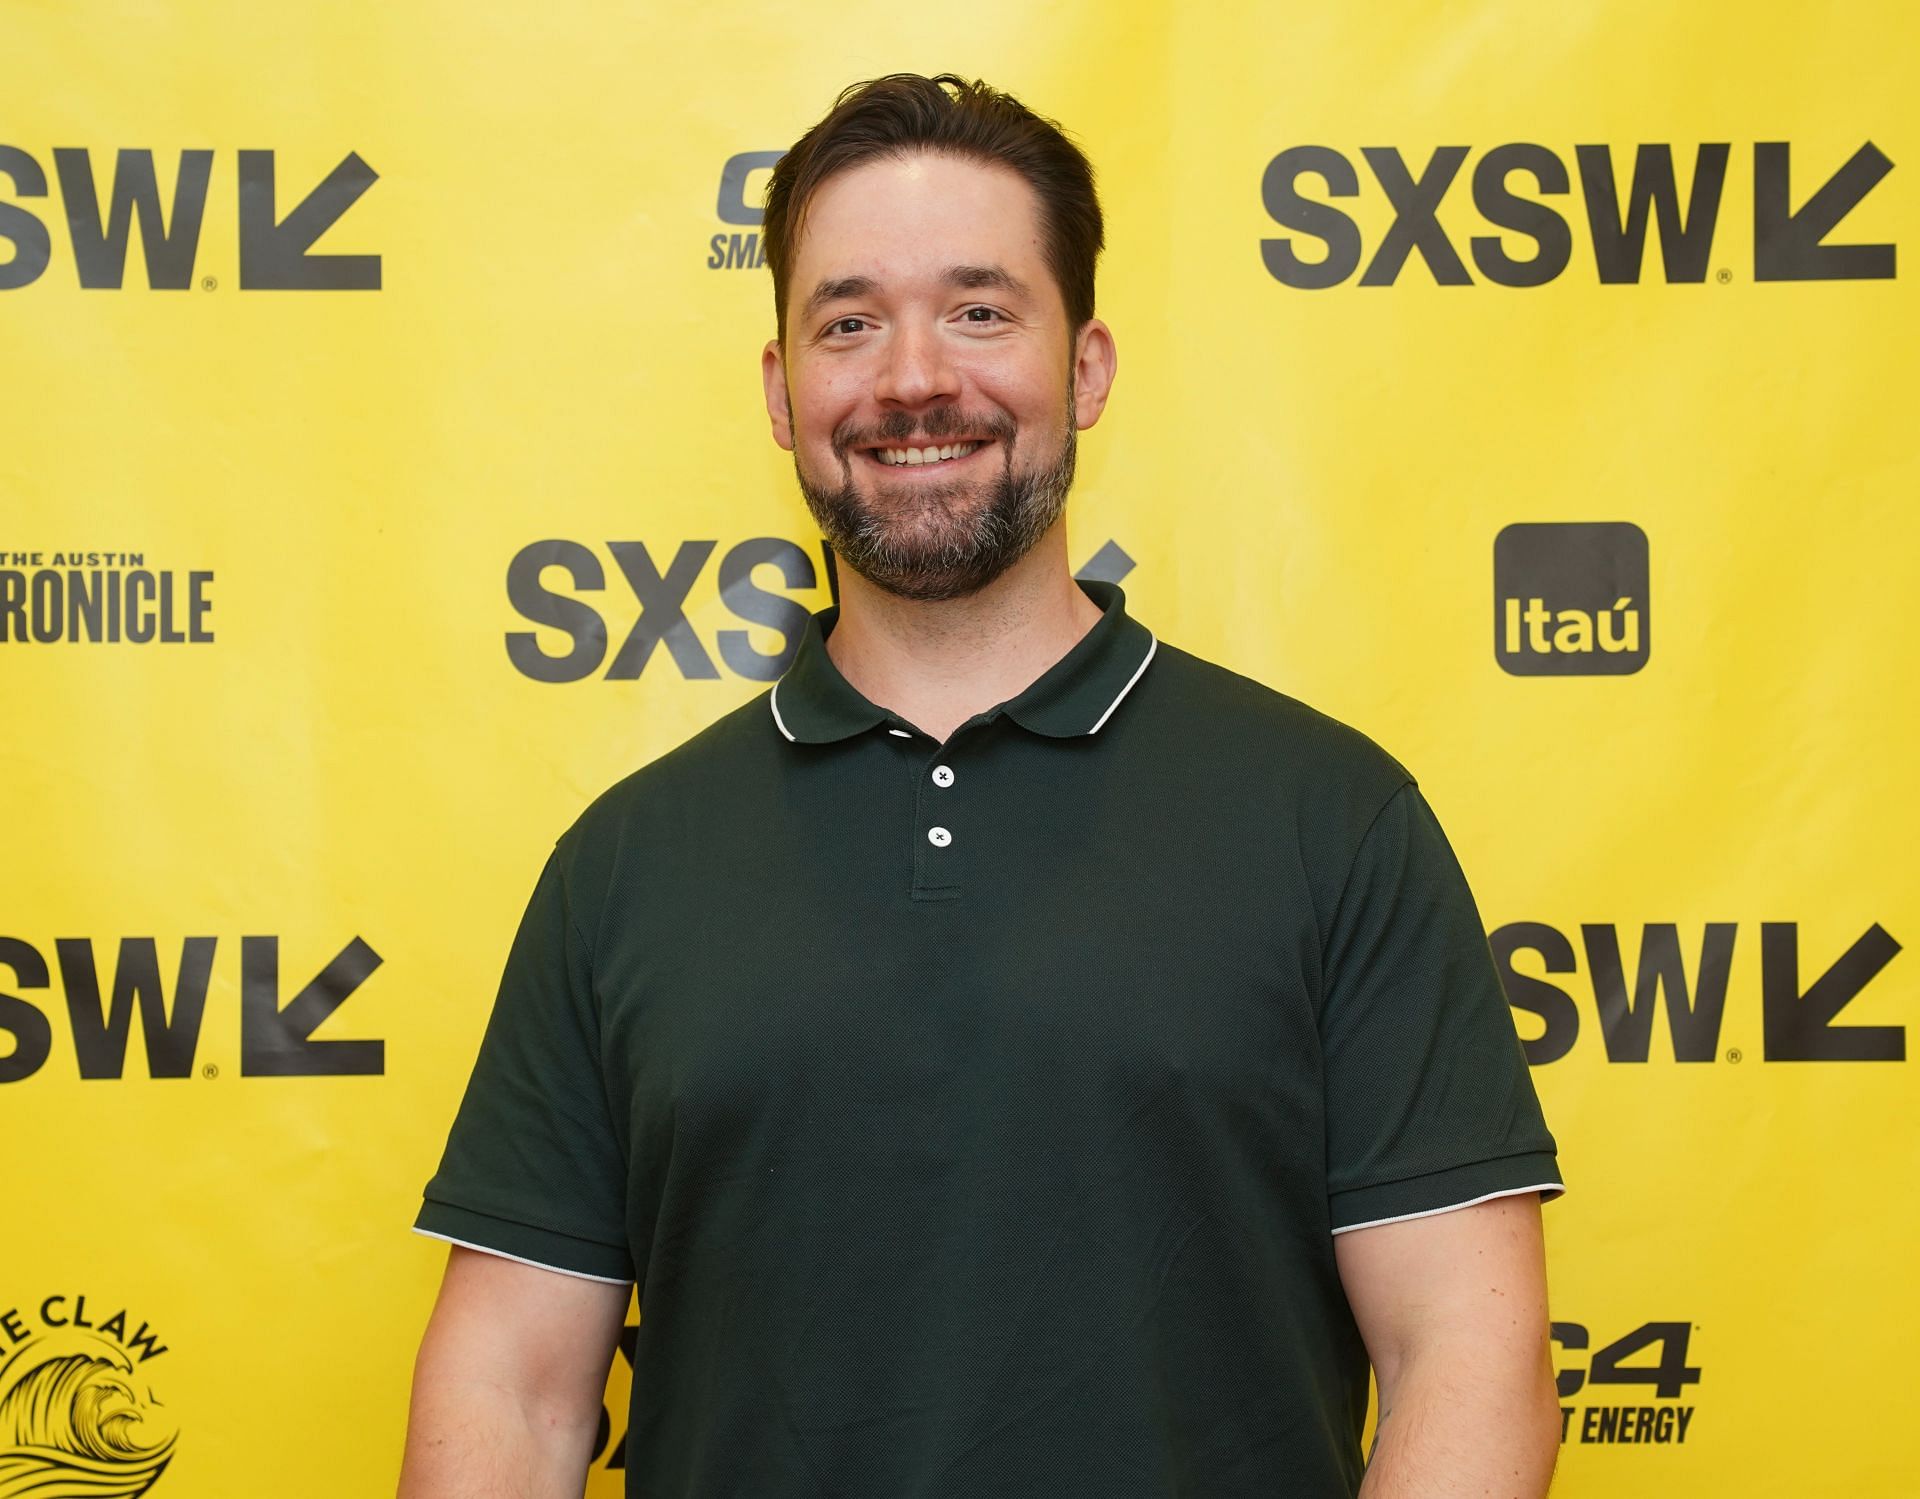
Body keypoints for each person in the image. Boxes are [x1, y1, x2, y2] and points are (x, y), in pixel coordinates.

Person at [398, 72, 1565, 1499]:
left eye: (980, 310)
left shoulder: (1332, 821)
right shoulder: (626, 864)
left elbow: (1468, 1361)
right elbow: (509, 1396)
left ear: (1085, 367)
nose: (910, 379)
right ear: (782, 393)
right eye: (848, 322)